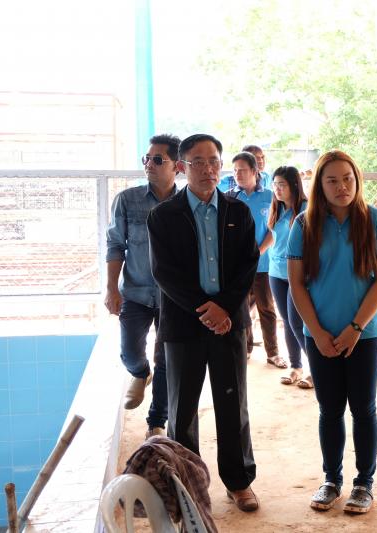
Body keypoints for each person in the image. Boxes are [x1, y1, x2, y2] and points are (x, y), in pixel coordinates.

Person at [147, 133, 260, 513]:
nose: (208, 169)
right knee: (182, 411)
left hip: (228, 323)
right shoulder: (164, 215)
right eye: (198, 161)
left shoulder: (238, 212)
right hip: (183, 325)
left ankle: (239, 482)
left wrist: (224, 309)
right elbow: (164, 272)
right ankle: (187, 488)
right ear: (182, 167)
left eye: (214, 160)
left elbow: (248, 265)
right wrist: (204, 309)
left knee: (233, 405)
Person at [287, 150, 377, 514]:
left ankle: (364, 483)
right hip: (319, 335)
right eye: (332, 180)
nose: (341, 187)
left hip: (364, 335)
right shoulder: (304, 223)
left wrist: (355, 327)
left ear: (357, 180)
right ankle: (331, 480)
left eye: (347, 178)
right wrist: (316, 332)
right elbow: (297, 284)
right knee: (330, 409)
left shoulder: (375, 220)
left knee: (363, 409)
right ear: (319, 185)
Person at [105, 134, 180, 440]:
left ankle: (156, 421)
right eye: (146, 158)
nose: (149, 164)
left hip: (173, 298)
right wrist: (111, 288)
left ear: (177, 166)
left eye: (158, 159)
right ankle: (139, 372)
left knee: (167, 360)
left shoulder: (186, 204)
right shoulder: (127, 200)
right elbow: (115, 245)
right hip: (134, 293)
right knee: (130, 352)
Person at [227, 151, 283, 367]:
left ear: (254, 171)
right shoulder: (229, 198)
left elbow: (275, 229)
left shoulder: (270, 196)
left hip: (264, 264)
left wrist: (259, 251)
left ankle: (273, 352)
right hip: (238, 266)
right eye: (235, 171)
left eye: (242, 170)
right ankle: (246, 348)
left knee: (266, 308)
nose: (237, 174)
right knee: (240, 309)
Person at [267, 165, 313, 389]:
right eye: (275, 184)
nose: (277, 189)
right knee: (287, 321)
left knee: (297, 322)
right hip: (276, 272)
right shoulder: (276, 208)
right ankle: (296, 366)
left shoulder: (306, 209)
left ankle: (317, 367)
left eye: (282, 185)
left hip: (298, 273)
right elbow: (273, 238)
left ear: (294, 185)